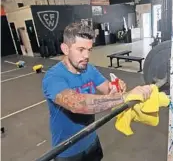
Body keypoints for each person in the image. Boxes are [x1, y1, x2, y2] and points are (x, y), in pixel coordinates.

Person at [42, 21, 153, 161]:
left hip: (91, 140)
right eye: (81, 49)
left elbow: (108, 89)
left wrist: (116, 87)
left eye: (89, 50)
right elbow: (77, 104)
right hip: (68, 152)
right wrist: (126, 97)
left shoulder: (89, 69)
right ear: (65, 49)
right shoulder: (53, 77)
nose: (86, 56)